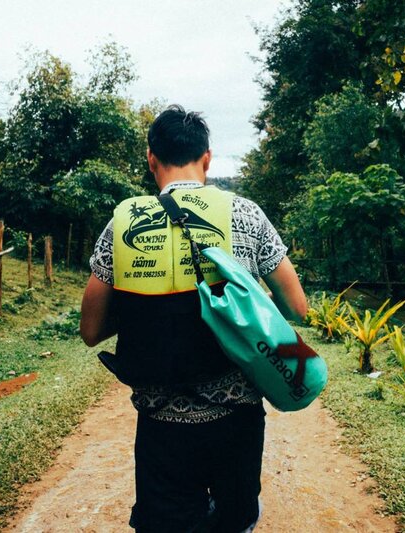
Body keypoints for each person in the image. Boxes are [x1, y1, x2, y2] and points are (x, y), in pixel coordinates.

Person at [80, 104, 307, 532]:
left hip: (160, 425)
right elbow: (297, 306)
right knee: (235, 522)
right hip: (236, 421)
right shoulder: (246, 215)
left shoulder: (122, 225)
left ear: (151, 159)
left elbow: (91, 331)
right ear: (207, 159)